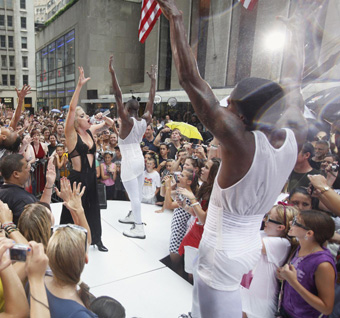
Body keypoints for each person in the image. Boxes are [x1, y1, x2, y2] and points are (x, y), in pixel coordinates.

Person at [156, 1, 306, 316]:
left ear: (238, 114)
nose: (223, 111)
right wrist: (295, 39)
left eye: (229, 107)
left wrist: (177, 19)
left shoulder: (241, 144)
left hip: (221, 249)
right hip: (247, 241)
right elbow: (293, 83)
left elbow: (191, 81)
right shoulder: (294, 135)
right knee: (202, 308)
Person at [59, 66, 113, 252]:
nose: (86, 117)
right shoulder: (71, 135)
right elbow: (72, 108)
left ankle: (97, 239)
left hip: (91, 178)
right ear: (76, 121)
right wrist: (79, 86)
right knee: (72, 210)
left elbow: (108, 125)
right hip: (78, 178)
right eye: (82, 116)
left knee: (94, 209)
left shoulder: (90, 130)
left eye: (86, 115)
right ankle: (65, 239)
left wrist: (102, 117)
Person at [109, 55, 157, 239]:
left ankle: (139, 227)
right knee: (135, 194)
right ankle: (132, 215)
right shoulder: (145, 119)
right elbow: (152, 100)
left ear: (127, 109)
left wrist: (113, 74)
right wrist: (153, 81)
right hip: (139, 159)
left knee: (135, 196)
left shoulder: (127, 121)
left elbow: (117, 95)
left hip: (130, 161)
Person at [240, 204, 299, 318]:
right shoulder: (263, 234)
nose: (264, 220)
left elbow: (248, 242)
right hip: (246, 292)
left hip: (262, 300)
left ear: (280, 227)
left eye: (267, 218)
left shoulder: (282, 243)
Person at [278, 210, 336, 317]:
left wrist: (293, 281)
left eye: (296, 222)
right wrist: (284, 275)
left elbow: (326, 308)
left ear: (309, 233)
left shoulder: (323, 264)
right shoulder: (300, 248)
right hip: (287, 312)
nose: (291, 223)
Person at [0, 154, 55, 224]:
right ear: (16, 174)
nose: (29, 168)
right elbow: (42, 220)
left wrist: (49, 184)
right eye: (25, 167)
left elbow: (41, 207)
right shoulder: (23, 200)